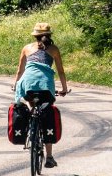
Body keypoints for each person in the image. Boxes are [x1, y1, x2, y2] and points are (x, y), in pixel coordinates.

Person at [12, 21, 69, 168]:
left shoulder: (26, 48)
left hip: (27, 84)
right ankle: (49, 157)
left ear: (35, 36)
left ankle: (32, 126)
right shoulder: (54, 49)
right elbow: (61, 71)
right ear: (49, 35)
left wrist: (15, 85)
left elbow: (20, 71)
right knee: (47, 113)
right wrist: (64, 88)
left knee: (32, 105)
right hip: (45, 86)